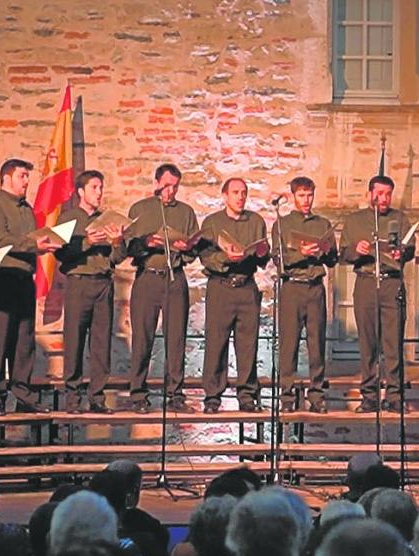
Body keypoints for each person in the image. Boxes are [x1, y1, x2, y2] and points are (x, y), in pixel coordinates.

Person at [0, 159, 61, 415]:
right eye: (22, 176)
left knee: (24, 341)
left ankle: (23, 394)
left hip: (24, 279)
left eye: (27, 176)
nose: (27, 181)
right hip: (0, 279)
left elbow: (28, 241)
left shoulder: (26, 209)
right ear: (7, 177)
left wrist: (42, 244)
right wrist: (34, 245)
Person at [125, 163, 198, 414]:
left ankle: (175, 394)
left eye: (175, 187)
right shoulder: (140, 209)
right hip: (147, 277)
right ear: (156, 183)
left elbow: (193, 251)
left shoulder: (186, 212)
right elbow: (128, 247)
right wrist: (146, 242)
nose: (170, 191)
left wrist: (187, 248)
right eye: (166, 186)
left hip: (174, 277)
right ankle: (138, 394)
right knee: (142, 338)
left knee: (176, 339)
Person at [341, 175, 415, 413]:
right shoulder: (355, 220)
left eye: (388, 194)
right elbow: (343, 254)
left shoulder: (400, 219)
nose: (384, 198)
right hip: (366, 282)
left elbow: (410, 248)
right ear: (369, 194)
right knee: (368, 344)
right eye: (380, 194)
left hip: (391, 283)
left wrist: (402, 253)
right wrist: (357, 250)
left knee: (393, 344)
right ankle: (369, 396)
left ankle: (394, 396)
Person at [54, 170, 125, 414]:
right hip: (79, 282)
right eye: (94, 187)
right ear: (81, 192)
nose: (99, 192)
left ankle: (97, 397)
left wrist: (117, 242)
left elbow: (117, 258)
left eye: (101, 188)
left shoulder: (107, 219)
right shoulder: (68, 218)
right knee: (74, 340)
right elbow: (60, 252)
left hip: (103, 283)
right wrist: (87, 242)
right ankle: (73, 398)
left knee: (101, 343)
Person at [197, 177, 270, 413]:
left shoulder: (256, 221)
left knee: (248, 344)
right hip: (221, 286)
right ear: (225, 196)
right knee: (216, 342)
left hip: (246, 286)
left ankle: (247, 395)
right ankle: (212, 396)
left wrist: (262, 252)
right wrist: (225, 257)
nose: (240, 197)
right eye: (236, 192)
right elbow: (206, 257)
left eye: (244, 192)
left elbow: (262, 258)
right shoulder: (212, 222)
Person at [271, 176, 337, 413]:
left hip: (315, 287)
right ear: (293, 196)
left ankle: (317, 395)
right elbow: (278, 259)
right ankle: (287, 396)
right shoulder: (282, 224)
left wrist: (325, 251)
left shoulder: (322, 223)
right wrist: (302, 253)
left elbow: (333, 260)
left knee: (316, 343)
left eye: (310, 195)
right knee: (288, 343)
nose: (306, 200)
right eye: (301, 195)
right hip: (293, 286)